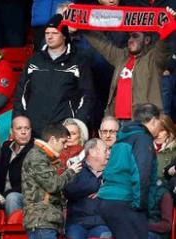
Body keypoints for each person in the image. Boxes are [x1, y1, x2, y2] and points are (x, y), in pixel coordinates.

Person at [14, 14, 95, 136]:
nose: (50, 37)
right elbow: (21, 94)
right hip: (34, 128)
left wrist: (77, 123)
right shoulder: (34, 61)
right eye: (47, 33)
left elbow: (86, 95)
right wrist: (18, 120)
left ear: (64, 36)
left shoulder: (79, 61)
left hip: (64, 130)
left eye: (54, 33)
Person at [97, 102, 161, 237]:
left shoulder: (122, 139)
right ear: (154, 121)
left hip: (107, 200)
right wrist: (140, 205)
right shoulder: (142, 139)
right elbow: (141, 174)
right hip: (125, 201)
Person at [21, 122, 82, 239]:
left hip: (46, 220)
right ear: (53, 139)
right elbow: (53, 185)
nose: (65, 146)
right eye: (63, 142)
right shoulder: (37, 157)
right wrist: (71, 171)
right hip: (41, 220)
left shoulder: (46, 157)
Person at [0, 115, 33, 217]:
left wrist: (2, 197)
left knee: (12, 198)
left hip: (26, 197)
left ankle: (12, 232)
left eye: (27, 128)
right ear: (11, 131)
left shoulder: (35, 151)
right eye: (19, 128)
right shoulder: (5, 149)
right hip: (1, 195)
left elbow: (29, 184)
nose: (24, 132)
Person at [64, 138, 111, 239]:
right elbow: (69, 190)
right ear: (93, 152)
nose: (109, 153)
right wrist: (98, 184)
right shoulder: (77, 169)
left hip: (102, 223)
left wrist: (105, 189)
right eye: (105, 150)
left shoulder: (113, 172)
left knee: (106, 236)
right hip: (77, 223)